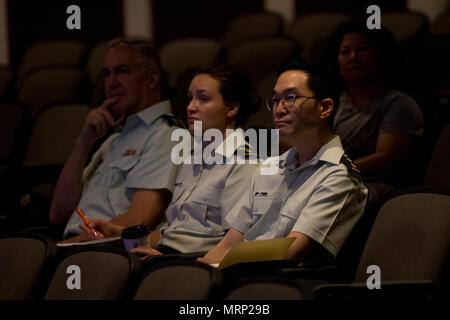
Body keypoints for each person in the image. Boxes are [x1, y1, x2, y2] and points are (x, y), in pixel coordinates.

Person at [197, 59, 368, 266]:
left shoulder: (339, 177)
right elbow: (228, 244)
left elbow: (289, 251)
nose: (279, 110)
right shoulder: (267, 168)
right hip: (237, 275)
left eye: (290, 98)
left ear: (324, 108)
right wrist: (202, 271)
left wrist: (227, 264)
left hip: (282, 285)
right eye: (276, 100)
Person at [80, 64, 261, 255]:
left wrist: (165, 261)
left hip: (197, 267)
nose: (191, 107)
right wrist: (116, 232)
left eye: (203, 99)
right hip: (168, 258)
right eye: (190, 98)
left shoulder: (243, 164)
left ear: (231, 108)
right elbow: (174, 235)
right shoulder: (191, 160)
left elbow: (233, 246)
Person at [50, 38, 181, 243]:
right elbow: (58, 214)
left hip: (106, 253)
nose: (111, 83)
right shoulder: (113, 141)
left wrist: (60, 249)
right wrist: (84, 142)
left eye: (122, 71)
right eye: (106, 74)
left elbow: (137, 222)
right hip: (76, 247)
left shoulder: (166, 135)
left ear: (152, 79)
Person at [327, 20, 424, 185]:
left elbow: (387, 159)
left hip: (374, 186)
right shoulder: (332, 102)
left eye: (362, 49)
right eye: (345, 52)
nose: (353, 57)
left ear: (381, 56)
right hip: (334, 181)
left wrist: (331, 171)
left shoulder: (399, 103)